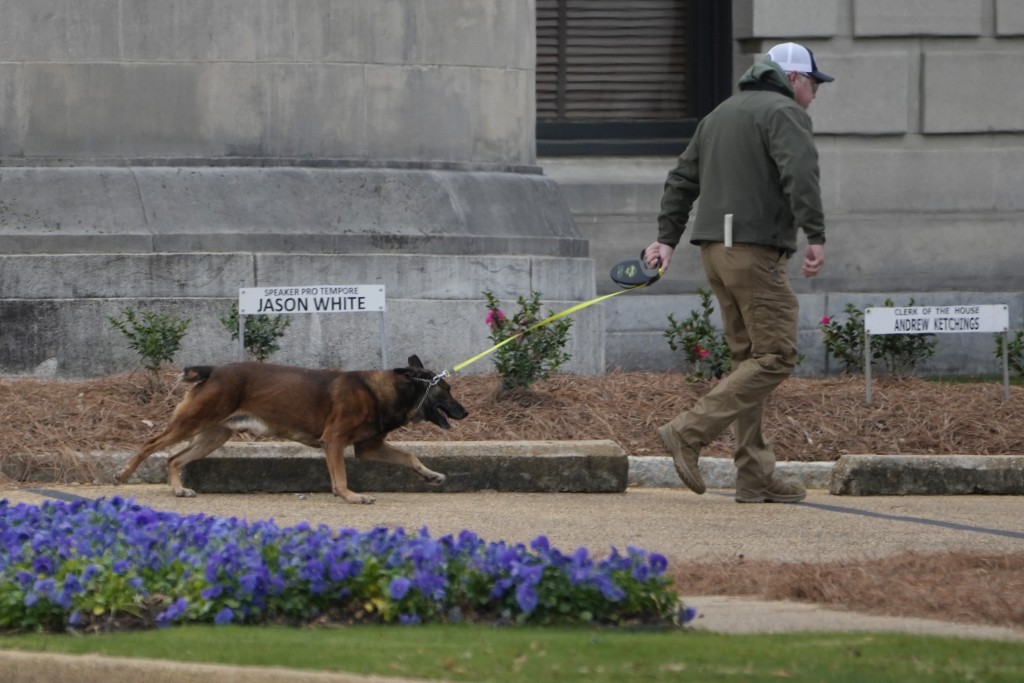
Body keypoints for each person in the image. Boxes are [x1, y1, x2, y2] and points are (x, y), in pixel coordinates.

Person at [643, 41, 833, 503]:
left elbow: (682, 178)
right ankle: (689, 432)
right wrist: (816, 233)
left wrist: (666, 238)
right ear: (791, 78)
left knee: (749, 361)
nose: (814, 94)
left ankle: (754, 474)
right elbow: (800, 172)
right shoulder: (784, 113)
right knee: (777, 357)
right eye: (811, 83)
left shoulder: (720, 113)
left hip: (715, 252)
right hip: (753, 253)